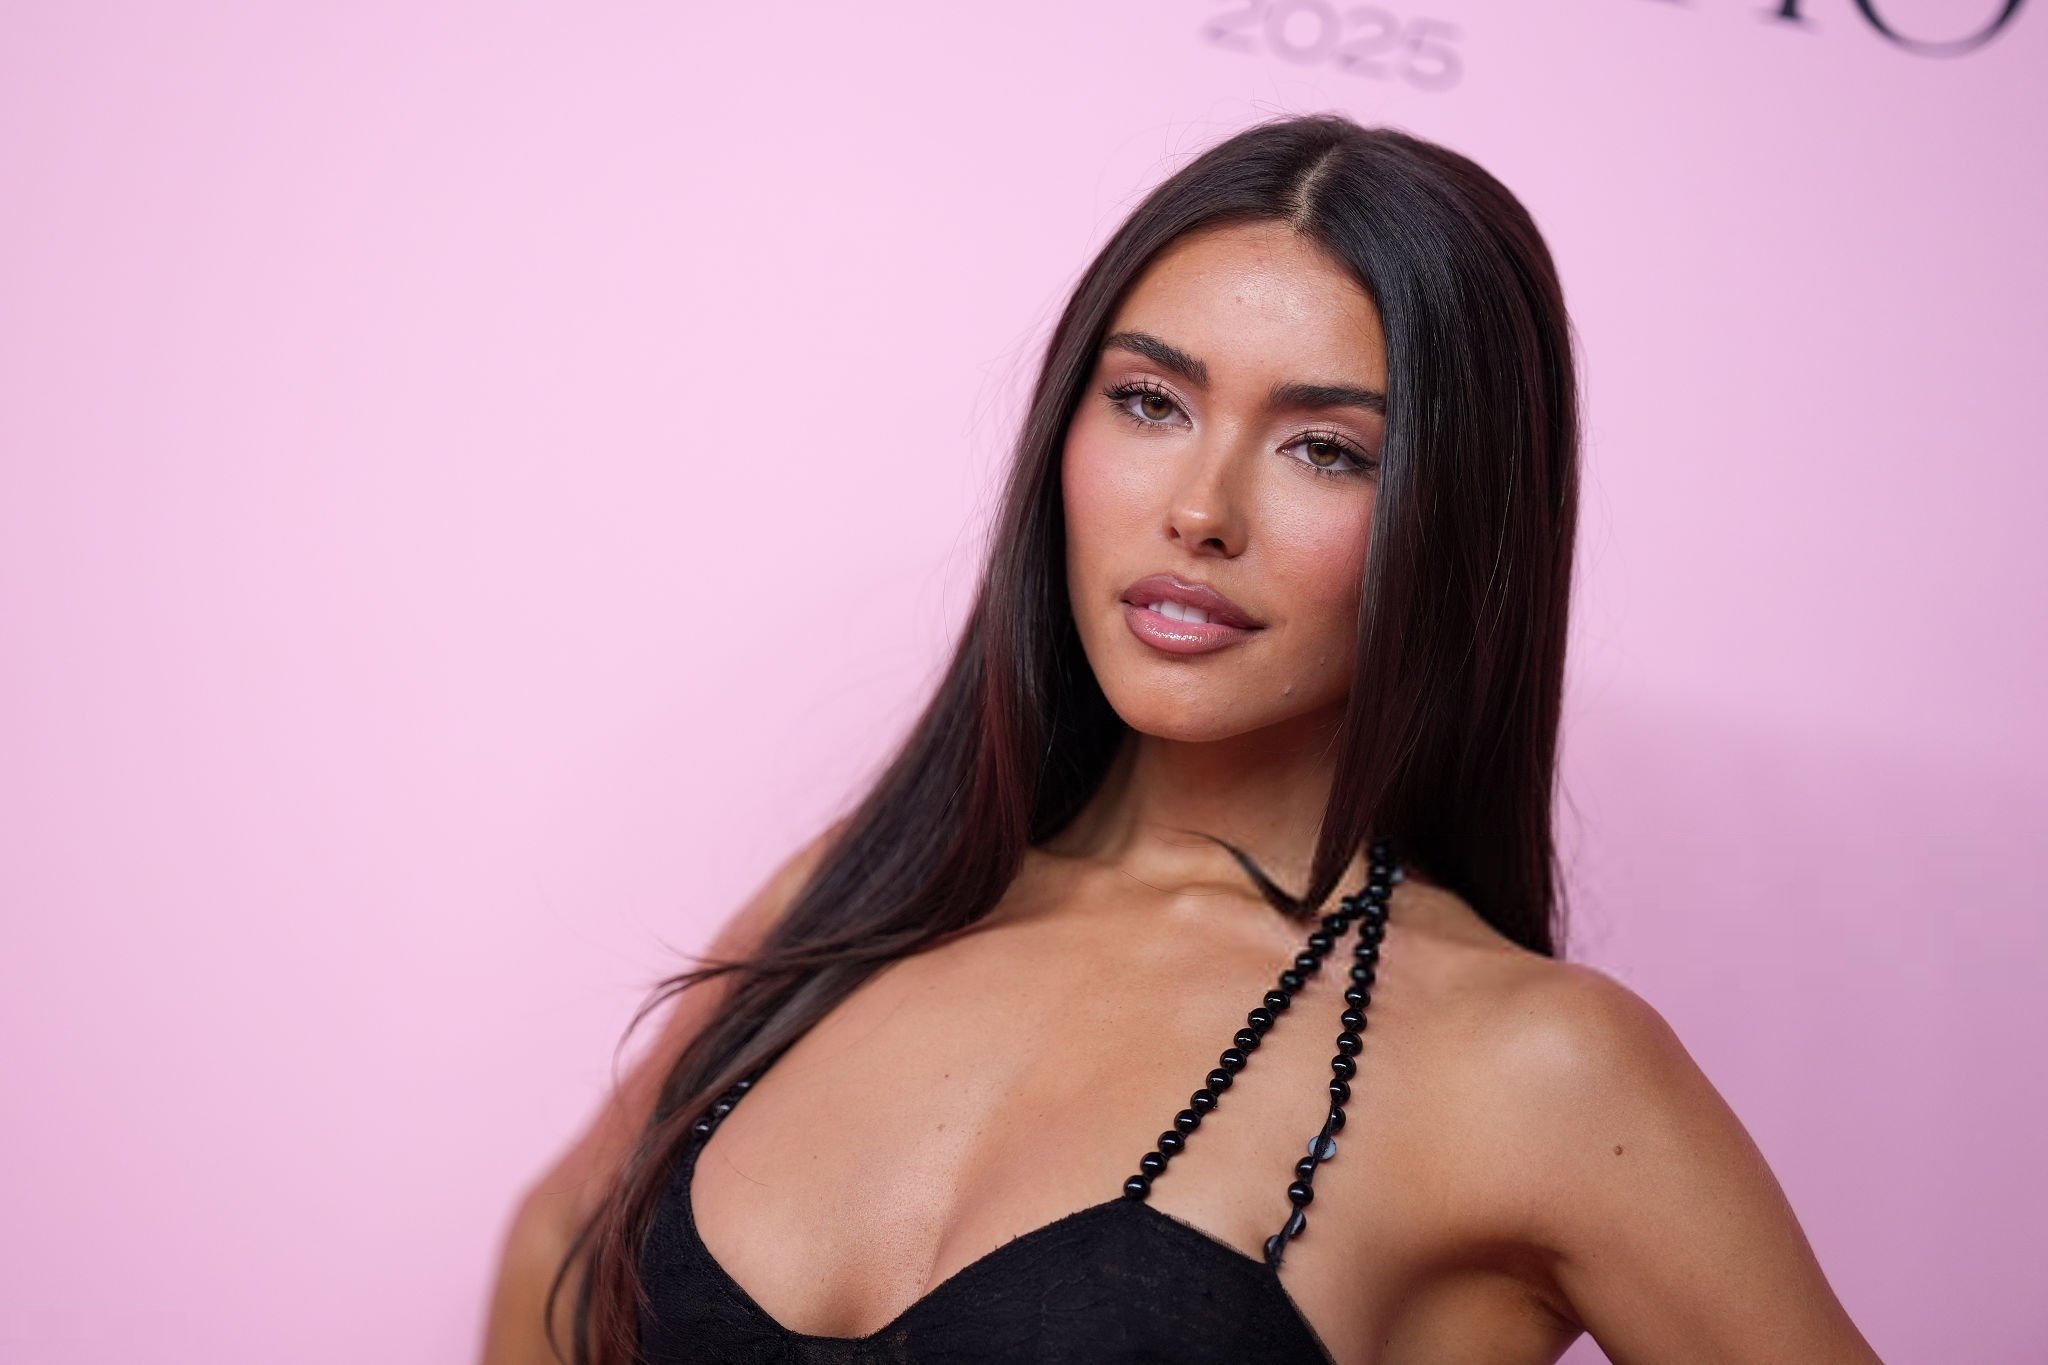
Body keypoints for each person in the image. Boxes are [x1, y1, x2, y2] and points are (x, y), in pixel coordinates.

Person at [479, 113, 1881, 1364]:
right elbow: (558, 1250)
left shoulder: (1536, 1070)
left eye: (1326, 447)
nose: (1200, 510)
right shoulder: (861, 892)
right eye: (1150, 402)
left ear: (1458, 523)